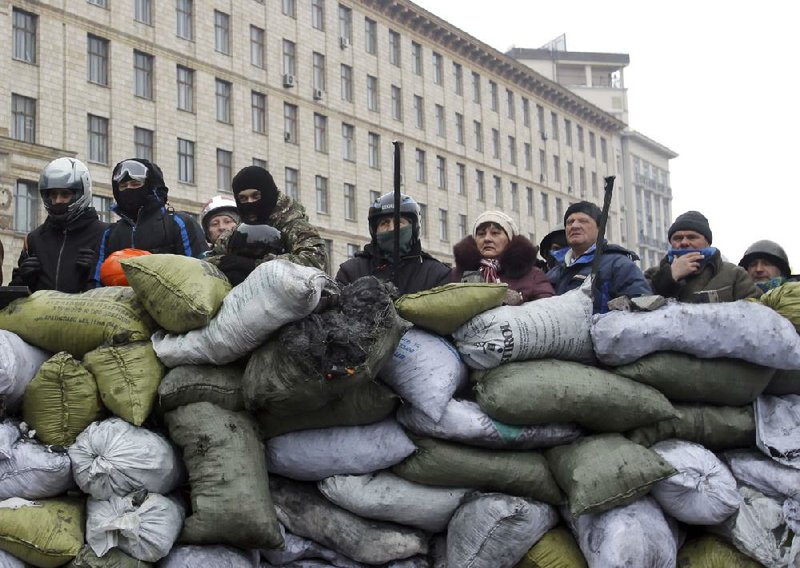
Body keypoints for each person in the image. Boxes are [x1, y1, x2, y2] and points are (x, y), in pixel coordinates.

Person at [93, 158, 208, 284]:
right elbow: (98, 280)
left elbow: (200, 271)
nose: (129, 189)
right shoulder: (111, 233)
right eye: (123, 186)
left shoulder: (179, 223)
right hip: (120, 300)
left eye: (135, 184)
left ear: (151, 187)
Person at [208, 165, 327, 285]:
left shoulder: (294, 225)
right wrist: (225, 262)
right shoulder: (239, 230)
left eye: (255, 196)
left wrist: (256, 265)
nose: (250, 203)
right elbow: (209, 259)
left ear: (268, 193)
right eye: (243, 198)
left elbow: (315, 261)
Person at [10, 157, 108, 293]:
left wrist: (97, 271)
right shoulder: (35, 239)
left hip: (85, 313)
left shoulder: (105, 234)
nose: (57, 201)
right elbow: (14, 299)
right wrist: (24, 279)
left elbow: (119, 290)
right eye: (53, 194)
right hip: (42, 313)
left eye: (65, 194)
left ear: (80, 193)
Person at [336, 192, 450, 295]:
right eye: (384, 223)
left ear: (414, 228)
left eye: (399, 222)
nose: (391, 228)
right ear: (374, 231)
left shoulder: (437, 274)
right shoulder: (351, 271)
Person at [547, 200, 651, 312]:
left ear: (600, 229)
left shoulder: (619, 265)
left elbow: (642, 310)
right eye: (570, 222)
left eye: (583, 221)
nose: (574, 226)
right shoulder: (554, 273)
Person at [646, 210, 760, 302]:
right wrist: (669, 277)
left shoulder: (734, 274)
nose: (684, 242)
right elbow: (637, 313)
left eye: (692, 237)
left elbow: (756, 313)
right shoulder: (652, 275)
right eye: (677, 238)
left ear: (708, 242)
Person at [452, 210, 554, 305]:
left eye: (495, 233)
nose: (487, 239)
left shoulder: (533, 275)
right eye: (481, 234)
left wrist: (519, 301)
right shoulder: (458, 274)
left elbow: (548, 310)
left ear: (509, 239)